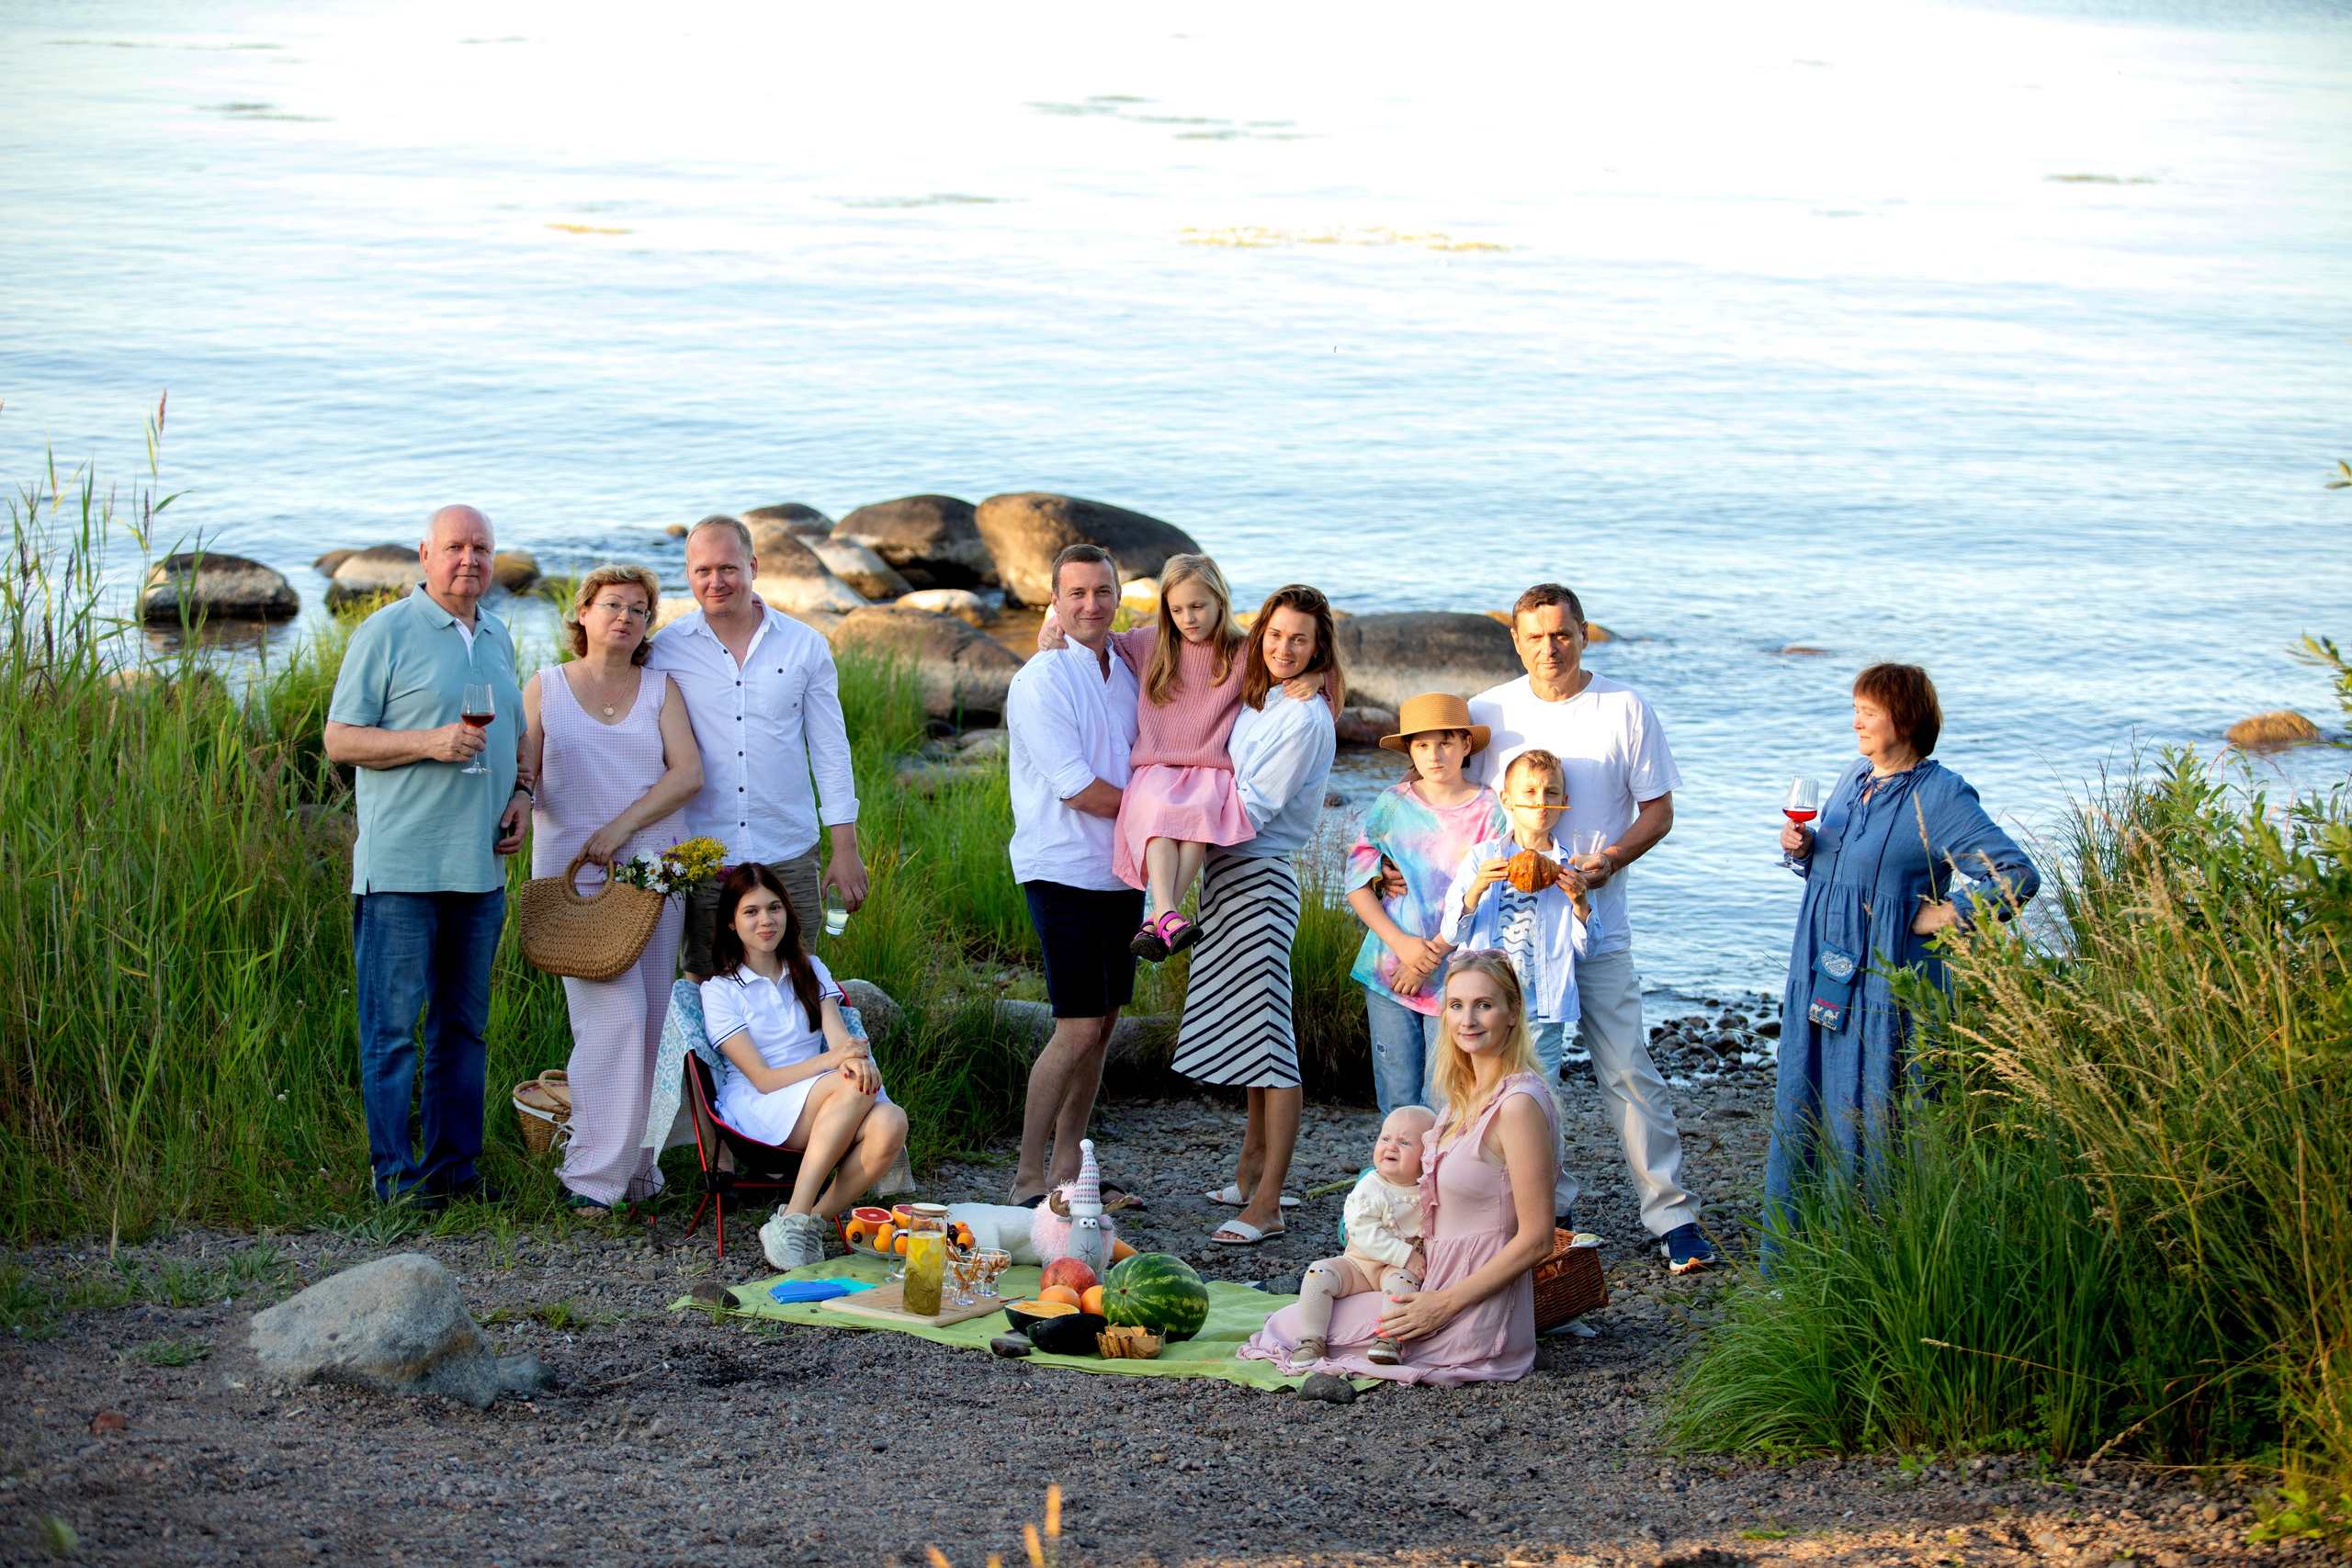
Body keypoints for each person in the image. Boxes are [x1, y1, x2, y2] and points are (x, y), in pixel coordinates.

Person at [1467, 581, 1713, 1270]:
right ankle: (1550, 1209)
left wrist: (1609, 861)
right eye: (1535, 636)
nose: (1550, 648)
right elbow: (1454, 800)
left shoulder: (1624, 708)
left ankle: (1672, 1215)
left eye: (1562, 633)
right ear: (1516, 640)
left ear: (1583, 633)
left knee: (1628, 1067)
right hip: (1517, 939)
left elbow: (1658, 813)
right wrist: (1400, 872)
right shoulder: (1490, 711)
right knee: (1529, 1075)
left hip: (1596, 924)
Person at [1765, 663, 2039, 1224]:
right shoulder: (1853, 777)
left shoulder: (1941, 796)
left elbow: (2016, 876)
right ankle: (1805, 1249)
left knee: (1878, 1110)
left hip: (1886, 985)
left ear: (1906, 720)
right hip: (1824, 970)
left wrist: (1945, 914)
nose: (1856, 722)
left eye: (1868, 712)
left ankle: (1872, 1243)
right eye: (1856, 710)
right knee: (1809, 1095)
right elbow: (1843, 870)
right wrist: (1804, 848)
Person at [323, 504, 529, 1207]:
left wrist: (522, 793)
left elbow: (515, 734)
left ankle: (453, 1172)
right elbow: (340, 739)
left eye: (482, 547)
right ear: (424, 555)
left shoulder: (497, 634)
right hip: (402, 871)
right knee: (392, 1034)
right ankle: (395, 1181)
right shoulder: (383, 632)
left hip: (480, 870)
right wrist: (429, 742)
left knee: (462, 1030)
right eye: (455, 546)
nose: (469, 558)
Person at [1241, 951, 1560, 1386]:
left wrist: (1442, 1305)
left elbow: (1538, 1238)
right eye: (1456, 1005)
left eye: (1484, 1005)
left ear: (1513, 1012)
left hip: (1468, 1306)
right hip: (1425, 1278)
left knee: (1285, 1328)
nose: (1467, 1020)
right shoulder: (1464, 1097)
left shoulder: (1518, 1106)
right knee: (1302, 1309)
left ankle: (1448, 1340)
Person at [519, 565, 704, 1212]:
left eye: (639, 609)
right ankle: (592, 1178)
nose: (625, 617)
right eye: (612, 605)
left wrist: (621, 828)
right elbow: (522, 774)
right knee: (611, 1020)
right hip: (575, 883)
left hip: (653, 877)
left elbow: (687, 774)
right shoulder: (546, 687)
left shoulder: (660, 688)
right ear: (583, 612)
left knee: (651, 1024)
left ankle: (638, 1172)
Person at [1171, 585, 1342, 1247]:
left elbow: (1255, 805)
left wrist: (1174, 810)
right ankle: (1249, 1171)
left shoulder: (1304, 718)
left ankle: (1268, 1201)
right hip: (1227, 877)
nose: (1284, 648)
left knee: (1271, 1046)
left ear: (1319, 647)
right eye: (1275, 635)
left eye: (1300, 640)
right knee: (1251, 1036)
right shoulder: (1263, 696)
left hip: (1261, 880)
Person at [646, 515, 865, 980]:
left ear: (753, 567)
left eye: (728, 567)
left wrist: (845, 848)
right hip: (703, 854)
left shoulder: (805, 645)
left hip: (789, 847)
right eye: (703, 570)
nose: (716, 581)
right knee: (707, 984)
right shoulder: (665, 650)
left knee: (796, 981)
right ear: (688, 574)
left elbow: (830, 750)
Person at [1005, 545, 1143, 1207]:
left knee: (1105, 1025)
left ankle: (1069, 1171)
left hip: (1124, 871)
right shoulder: (1042, 679)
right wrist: (1168, 815)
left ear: (1119, 597)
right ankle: (1028, 1179)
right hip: (1063, 871)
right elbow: (1078, 788)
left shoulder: (1130, 669)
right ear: (1054, 603)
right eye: (1077, 593)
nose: (1092, 604)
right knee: (1078, 1027)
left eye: (1103, 591)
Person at [700, 863, 909, 1270]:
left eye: (774, 908)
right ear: (731, 922)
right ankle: (795, 1214)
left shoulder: (810, 969)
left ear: (787, 912)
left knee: (892, 1122)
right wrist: (839, 1061)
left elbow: (839, 1039)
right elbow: (763, 1079)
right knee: (850, 1082)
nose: (766, 920)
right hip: (762, 1105)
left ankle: (809, 1223)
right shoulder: (720, 990)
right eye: (751, 911)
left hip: (826, 1096)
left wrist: (852, 1059)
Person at [1343, 694, 1508, 1115]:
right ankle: (1396, 1161)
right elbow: (1356, 882)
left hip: (1458, 976)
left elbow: (1489, 896)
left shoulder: (1490, 810)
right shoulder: (1394, 803)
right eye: (1422, 745)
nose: (1434, 755)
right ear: (1410, 750)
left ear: (1466, 745)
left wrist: (1427, 959)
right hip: (1389, 967)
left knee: (1447, 1098)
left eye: (1445, 743)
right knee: (1397, 1098)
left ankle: (1446, 1162)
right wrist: (1402, 945)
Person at [1440, 749, 1600, 1076]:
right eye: (1529, 791)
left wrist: (1580, 904)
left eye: (1551, 793)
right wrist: (1477, 888)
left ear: (1563, 801)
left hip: (1541, 1009)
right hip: (1482, 1006)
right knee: (1478, 1088)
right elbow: (1452, 933)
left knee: (1538, 1091)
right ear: (1507, 799)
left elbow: (1589, 949)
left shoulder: (1569, 867)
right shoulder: (1483, 857)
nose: (1541, 801)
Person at [1286, 1105, 1436, 1371]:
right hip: (1360, 1264)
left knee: (1403, 1284)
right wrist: (1406, 1256)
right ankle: (1312, 1339)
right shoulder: (1371, 1184)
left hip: (1395, 1270)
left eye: (1404, 1142)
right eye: (1385, 1138)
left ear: (1427, 1155)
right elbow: (1362, 1230)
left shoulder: (1430, 1189)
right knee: (1317, 1273)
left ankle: (1389, 1339)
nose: (1391, 1147)